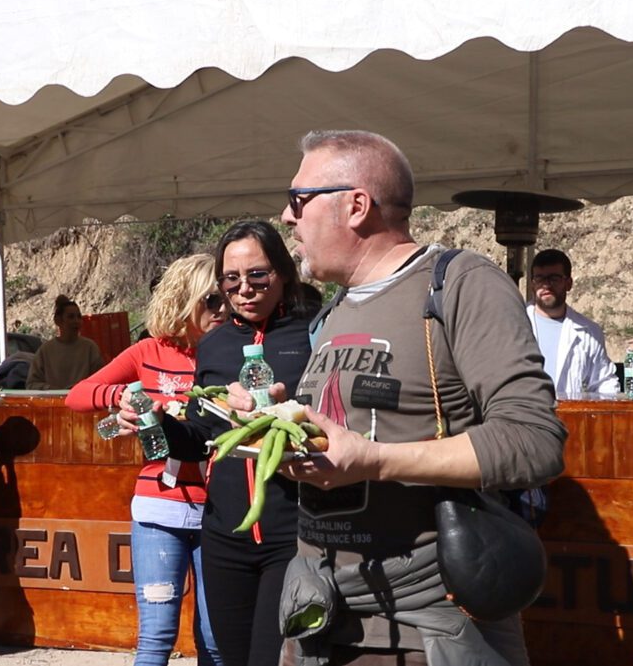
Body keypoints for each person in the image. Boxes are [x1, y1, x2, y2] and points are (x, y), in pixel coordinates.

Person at [230, 130, 565, 666]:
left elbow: (534, 441)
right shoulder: (332, 312)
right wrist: (272, 423)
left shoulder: (458, 284)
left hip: (425, 632)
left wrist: (375, 461)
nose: (286, 217)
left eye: (299, 200)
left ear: (356, 205)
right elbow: (352, 435)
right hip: (317, 619)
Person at [133, 222, 313, 666]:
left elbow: (329, 425)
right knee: (228, 658)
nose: (244, 289)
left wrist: (281, 411)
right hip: (224, 532)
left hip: (290, 532)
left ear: (284, 273)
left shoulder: (313, 335)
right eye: (231, 279)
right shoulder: (213, 345)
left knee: (270, 660)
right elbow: (197, 440)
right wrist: (153, 423)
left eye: (258, 275)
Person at [65, 254, 226, 666]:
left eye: (226, 297)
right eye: (212, 299)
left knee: (215, 639)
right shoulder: (147, 351)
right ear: (185, 300)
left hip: (223, 511)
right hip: (160, 510)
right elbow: (78, 396)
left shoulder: (235, 351)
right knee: (156, 637)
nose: (223, 307)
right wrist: (120, 399)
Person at [526, 248, 618, 395]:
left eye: (554, 278)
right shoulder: (514, 324)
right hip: (524, 414)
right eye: (540, 278)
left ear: (568, 283)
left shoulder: (589, 332)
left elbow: (604, 385)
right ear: (532, 284)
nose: (546, 285)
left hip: (568, 416)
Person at [27, 295, 103, 390]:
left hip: (82, 400)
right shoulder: (45, 350)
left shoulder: (90, 348)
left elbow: (100, 379)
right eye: (71, 317)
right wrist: (52, 389)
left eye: (78, 317)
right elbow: (32, 384)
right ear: (58, 321)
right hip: (53, 402)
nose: (76, 321)